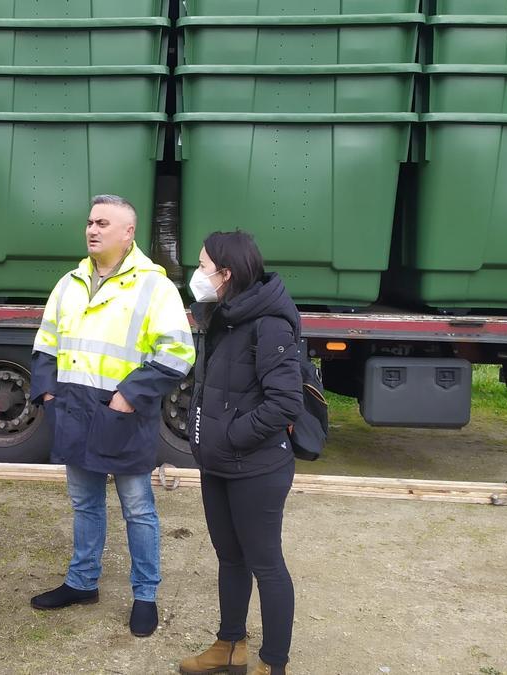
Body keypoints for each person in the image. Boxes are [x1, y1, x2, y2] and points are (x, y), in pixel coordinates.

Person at [28, 194, 196, 638]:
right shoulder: (70, 282)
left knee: (138, 509)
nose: (92, 229)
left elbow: (178, 353)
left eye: (102, 222)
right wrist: (46, 393)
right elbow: (46, 342)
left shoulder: (154, 286)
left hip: (122, 415)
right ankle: (82, 583)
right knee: (85, 503)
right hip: (74, 411)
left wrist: (128, 396)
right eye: (89, 221)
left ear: (128, 233)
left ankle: (146, 594)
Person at [178, 231, 303, 675]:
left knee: (265, 565)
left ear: (226, 274)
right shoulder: (221, 316)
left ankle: (275, 666)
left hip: (257, 468)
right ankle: (230, 647)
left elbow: (285, 403)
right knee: (229, 558)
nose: (196, 275)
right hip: (218, 465)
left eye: (203, 266)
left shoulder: (270, 324)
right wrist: (203, 437)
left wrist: (229, 436)